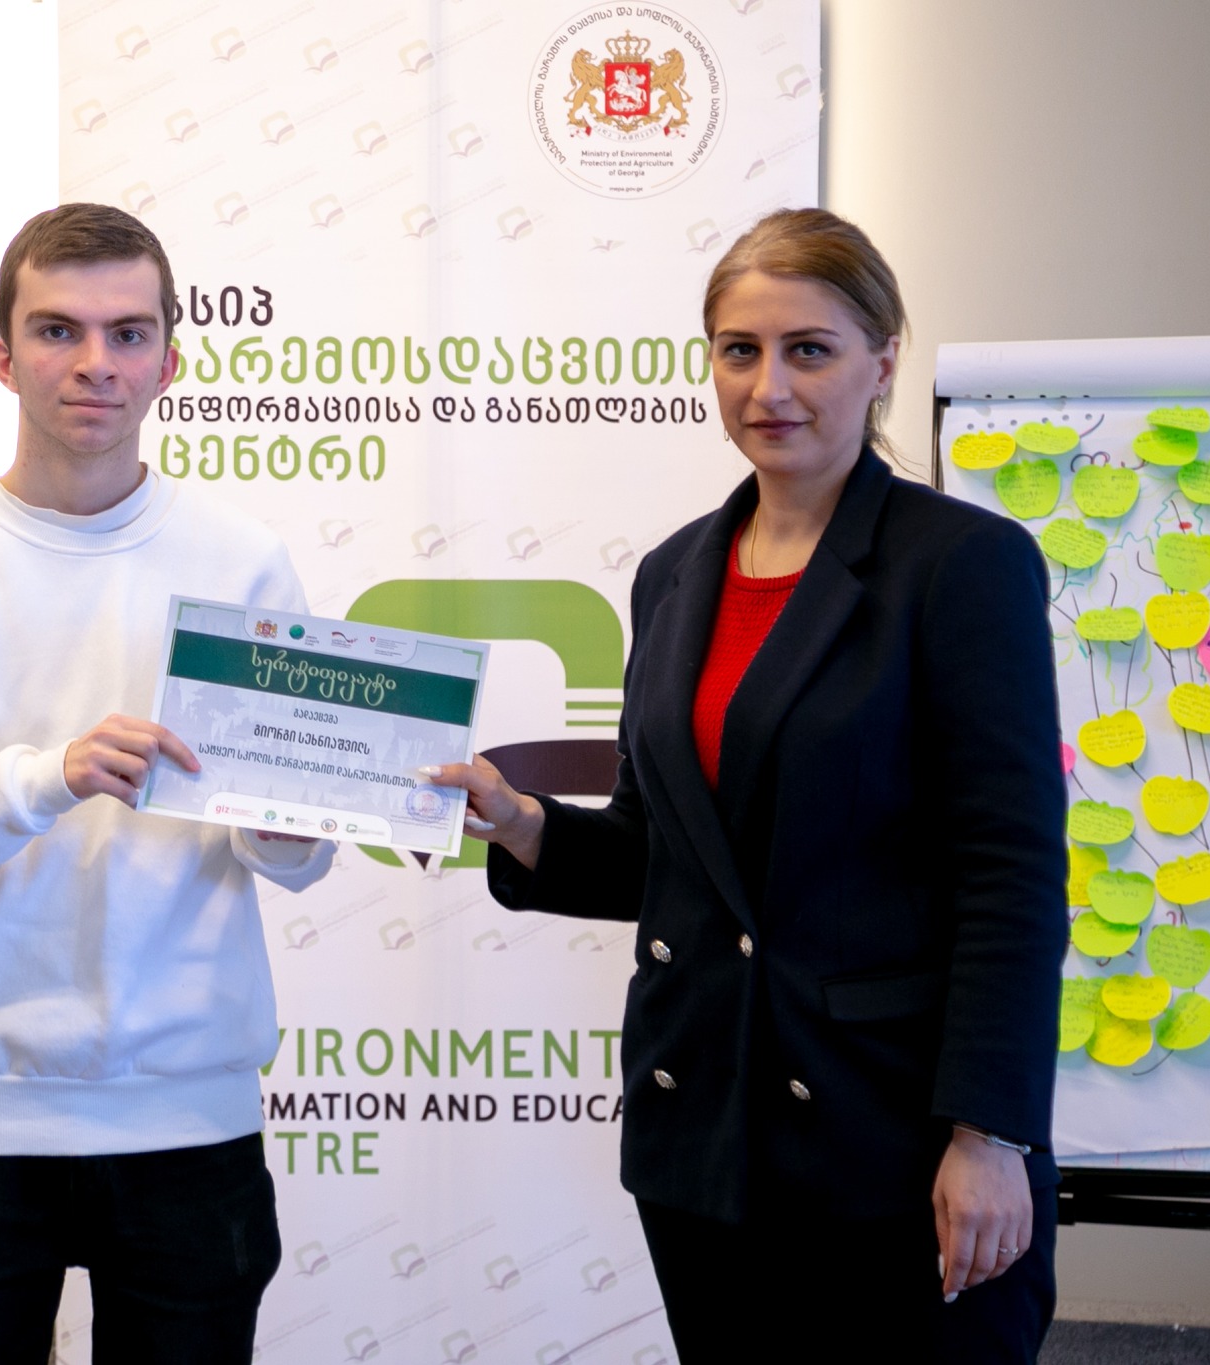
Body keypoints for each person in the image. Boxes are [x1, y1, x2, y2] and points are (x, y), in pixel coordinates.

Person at [430, 208, 1067, 1362]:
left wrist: (991, 1134)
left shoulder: (960, 565)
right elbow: (670, 855)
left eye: (806, 349)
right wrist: (523, 825)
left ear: (881, 361)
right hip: (701, 1138)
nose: (768, 386)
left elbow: (1010, 879)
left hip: (892, 1139)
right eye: (739, 350)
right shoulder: (672, 573)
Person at [0, 202, 333, 1364]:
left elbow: (292, 854)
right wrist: (45, 779)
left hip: (188, 1114)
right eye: (57, 330)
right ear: (3, 358)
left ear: (169, 360)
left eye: (127, 333)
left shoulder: (242, 561)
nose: (96, 362)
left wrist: (299, 818)